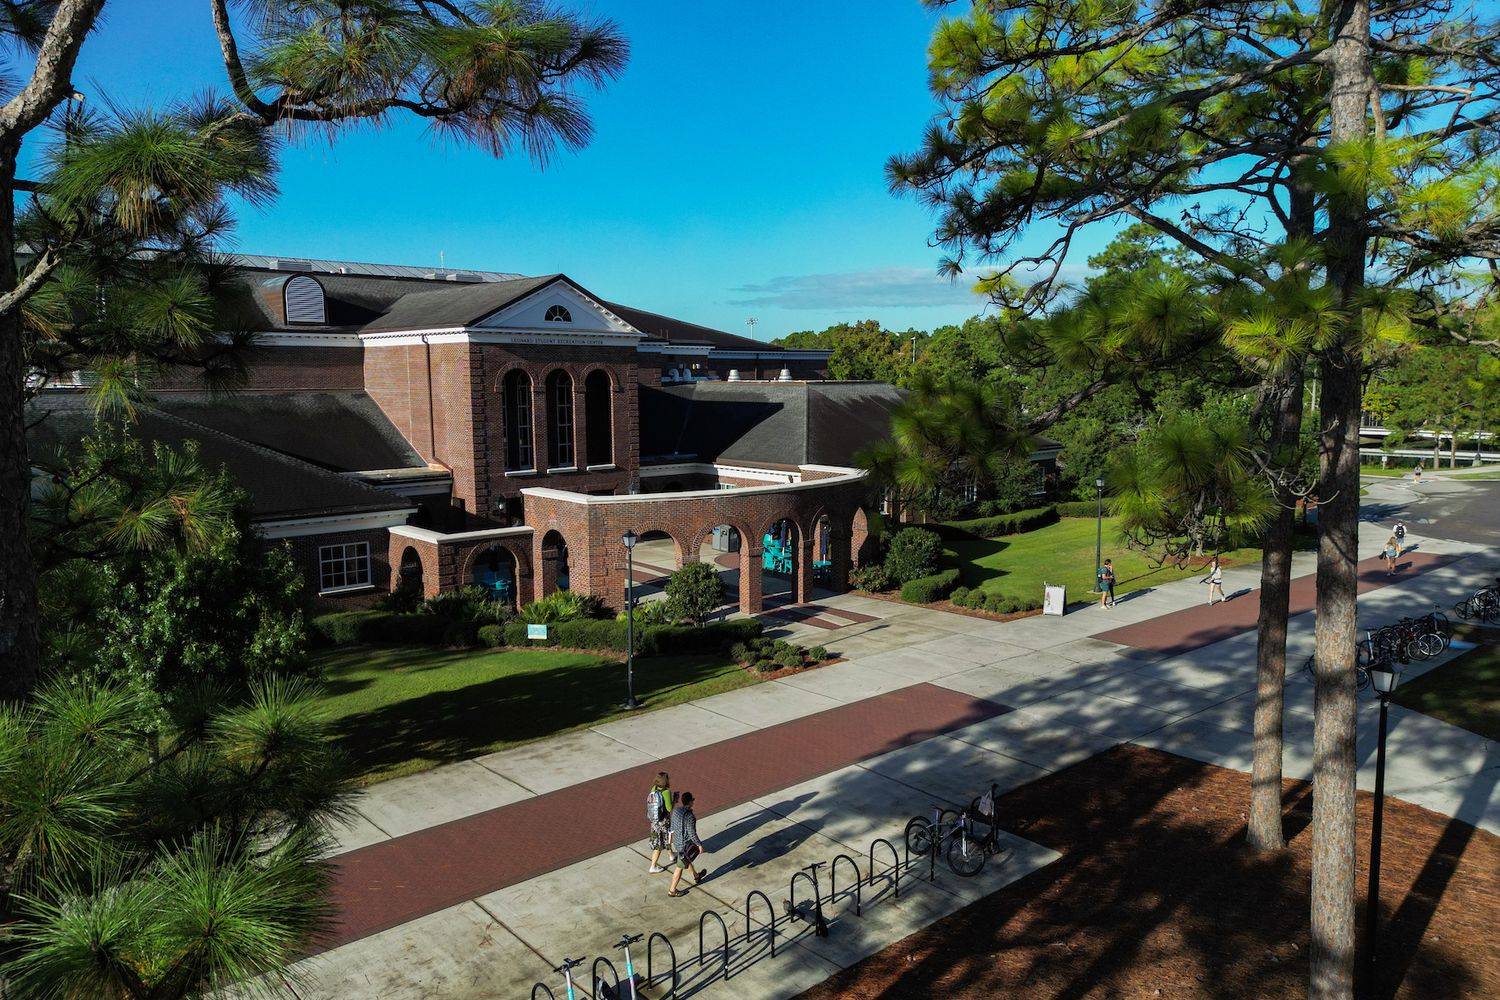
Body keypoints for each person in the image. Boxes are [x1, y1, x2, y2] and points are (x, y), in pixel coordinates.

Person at [667, 792, 706, 897]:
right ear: (690, 802)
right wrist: (699, 844)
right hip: (685, 846)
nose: (693, 801)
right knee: (679, 867)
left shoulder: (676, 811)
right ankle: (672, 890)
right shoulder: (690, 816)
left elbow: (672, 826)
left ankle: (696, 876)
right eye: (693, 800)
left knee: (686, 860)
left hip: (677, 843)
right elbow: (692, 833)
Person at [645, 771, 674, 874]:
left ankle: (671, 855)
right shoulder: (666, 792)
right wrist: (674, 800)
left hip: (654, 821)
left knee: (665, 839)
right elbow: (669, 809)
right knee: (660, 843)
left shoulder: (653, 789)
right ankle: (653, 866)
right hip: (663, 821)